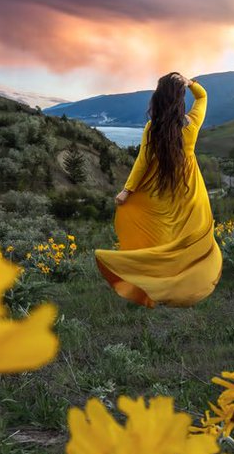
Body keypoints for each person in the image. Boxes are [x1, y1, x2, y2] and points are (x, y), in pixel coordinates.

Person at [94, 72, 222, 307]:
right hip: (189, 188)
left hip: (159, 188)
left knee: (160, 237)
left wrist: (127, 191)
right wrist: (190, 83)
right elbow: (202, 97)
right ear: (180, 98)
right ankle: (184, 283)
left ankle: (155, 281)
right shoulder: (191, 123)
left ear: (158, 99)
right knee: (190, 236)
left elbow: (142, 162)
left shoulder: (153, 128)